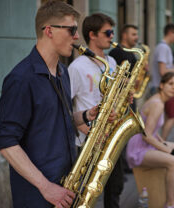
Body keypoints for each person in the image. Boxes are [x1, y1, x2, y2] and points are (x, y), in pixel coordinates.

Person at [0, 1, 105, 207]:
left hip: (67, 186)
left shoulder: (62, 73)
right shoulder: (21, 78)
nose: (77, 37)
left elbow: (56, 120)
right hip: (39, 196)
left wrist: (87, 114)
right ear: (49, 31)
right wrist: (46, 187)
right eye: (71, 30)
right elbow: (6, 142)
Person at [67, 13, 121, 208]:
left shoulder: (112, 63)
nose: (111, 37)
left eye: (112, 32)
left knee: (115, 188)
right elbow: (65, 106)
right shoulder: (76, 67)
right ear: (92, 35)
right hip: (88, 139)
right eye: (107, 32)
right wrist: (85, 130)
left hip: (111, 136)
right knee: (86, 193)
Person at [126, 72, 174, 208]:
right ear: (161, 85)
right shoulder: (158, 104)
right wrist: (168, 150)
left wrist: (162, 142)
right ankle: (170, 203)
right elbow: (146, 135)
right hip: (138, 149)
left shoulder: (160, 100)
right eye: (170, 84)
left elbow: (151, 131)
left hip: (146, 142)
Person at [150, 23, 174, 140]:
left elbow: (167, 67)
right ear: (170, 33)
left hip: (163, 87)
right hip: (164, 88)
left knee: (166, 116)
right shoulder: (163, 47)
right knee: (173, 115)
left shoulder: (164, 47)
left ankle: (160, 141)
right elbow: (163, 71)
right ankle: (162, 141)